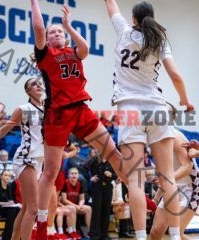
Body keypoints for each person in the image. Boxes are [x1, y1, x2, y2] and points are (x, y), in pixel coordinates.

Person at [30, 1, 126, 239]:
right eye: (53, 33)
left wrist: (69, 26)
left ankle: (134, 190)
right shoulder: (45, 54)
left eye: (59, 32)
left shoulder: (73, 51)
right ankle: (42, 223)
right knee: (51, 171)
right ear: (48, 40)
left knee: (113, 152)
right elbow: (39, 30)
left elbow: (85, 49)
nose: (55, 34)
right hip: (57, 113)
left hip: (81, 108)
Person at [104, 1, 194, 240]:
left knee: (134, 180)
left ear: (133, 18)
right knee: (167, 176)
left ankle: (141, 237)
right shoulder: (158, 40)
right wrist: (185, 100)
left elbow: (111, 7)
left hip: (130, 109)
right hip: (156, 107)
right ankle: (175, 235)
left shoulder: (124, 30)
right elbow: (175, 75)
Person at [0, 78, 44, 240]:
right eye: (33, 84)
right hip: (26, 158)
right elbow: (3, 130)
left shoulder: (49, 108)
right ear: (27, 91)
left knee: (26, 208)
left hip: (39, 160)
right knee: (33, 209)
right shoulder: (23, 109)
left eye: (39, 83)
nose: (38, 85)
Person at [150, 128, 199, 240]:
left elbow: (187, 167)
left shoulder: (174, 136)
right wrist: (156, 200)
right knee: (155, 232)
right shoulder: (155, 139)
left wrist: (196, 152)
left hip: (190, 187)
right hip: (172, 186)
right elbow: (165, 174)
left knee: (178, 234)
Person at [86, 148, 117, 240]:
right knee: (97, 211)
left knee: (106, 210)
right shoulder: (94, 159)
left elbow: (116, 175)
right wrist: (90, 177)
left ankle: (104, 235)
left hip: (108, 187)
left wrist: (111, 175)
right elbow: (83, 168)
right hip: (97, 187)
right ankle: (95, 235)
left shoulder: (112, 161)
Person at [0, 170, 20, 240]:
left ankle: (16, 235)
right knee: (12, 210)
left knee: (17, 210)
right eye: (5, 175)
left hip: (6, 208)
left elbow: (11, 199)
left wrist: (12, 203)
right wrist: (3, 203)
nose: (7, 177)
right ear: (1, 176)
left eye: (9, 176)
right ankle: (7, 236)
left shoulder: (9, 187)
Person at [61, 167, 91, 238]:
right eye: (72, 173)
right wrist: (76, 206)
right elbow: (64, 200)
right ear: (69, 175)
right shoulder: (65, 183)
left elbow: (82, 199)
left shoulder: (79, 184)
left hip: (75, 206)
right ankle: (73, 231)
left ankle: (89, 231)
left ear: (78, 175)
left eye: (75, 173)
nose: (74, 175)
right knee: (72, 208)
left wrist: (80, 205)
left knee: (88, 208)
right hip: (65, 205)